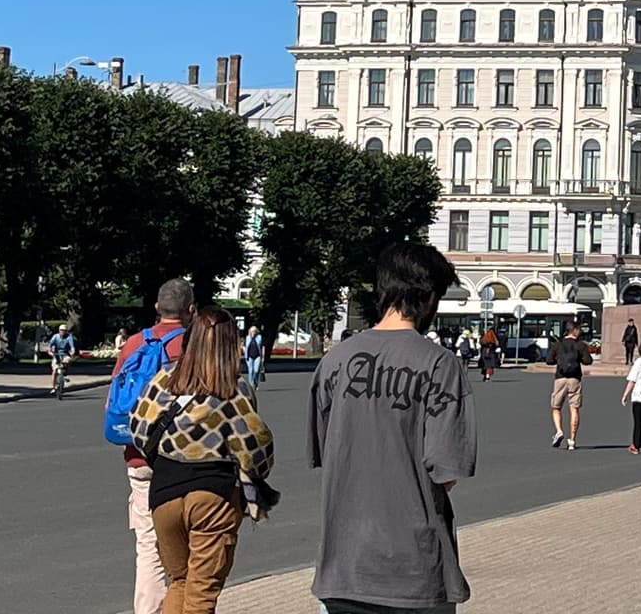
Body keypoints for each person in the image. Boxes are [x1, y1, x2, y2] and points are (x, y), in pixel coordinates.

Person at [308, 241, 477, 614]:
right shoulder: (440, 365)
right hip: (413, 570)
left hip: (342, 566)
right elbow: (446, 469)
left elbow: (329, 451)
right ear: (429, 297)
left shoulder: (334, 362)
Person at [128, 306, 275, 613]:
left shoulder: (163, 380)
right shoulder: (232, 389)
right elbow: (255, 449)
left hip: (164, 492)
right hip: (213, 495)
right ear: (229, 344)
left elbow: (139, 429)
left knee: (179, 581)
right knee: (201, 593)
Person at [114, 278, 194, 614]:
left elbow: (114, 403)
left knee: (148, 547)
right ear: (191, 310)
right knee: (190, 548)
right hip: (183, 459)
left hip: (138, 458)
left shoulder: (134, 344)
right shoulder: (194, 345)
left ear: (157, 309)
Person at [549, 323, 590, 451]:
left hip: (560, 378)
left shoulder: (558, 345)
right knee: (574, 408)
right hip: (575, 378)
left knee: (556, 407)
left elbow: (549, 360)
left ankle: (559, 431)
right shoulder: (580, 345)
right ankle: (572, 440)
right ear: (575, 330)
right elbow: (588, 361)